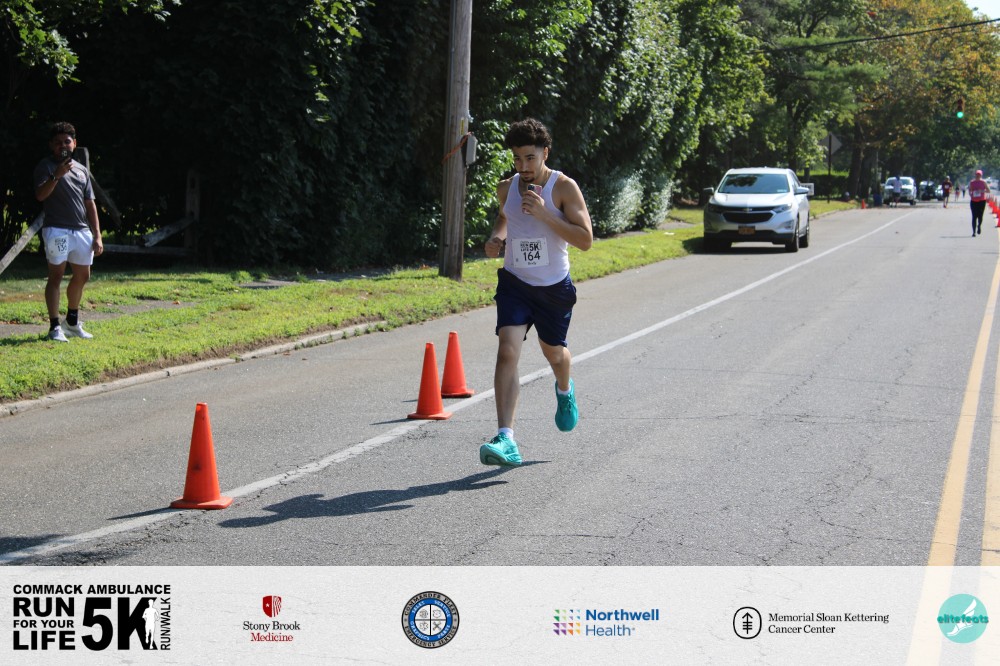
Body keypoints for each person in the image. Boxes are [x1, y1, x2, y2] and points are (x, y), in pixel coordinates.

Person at [479, 118, 594, 466]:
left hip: (553, 288)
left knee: (555, 354)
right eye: (517, 158)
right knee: (506, 351)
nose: (523, 166)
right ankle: (506, 438)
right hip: (515, 283)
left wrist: (545, 215)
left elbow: (585, 240)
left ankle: (564, 389)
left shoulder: (564, 188)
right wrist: (497, 237)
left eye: (529, 157)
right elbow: (505, 217)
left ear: (545, 153)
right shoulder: (507, 188)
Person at [33, 121, 103, 342]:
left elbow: (90, 203)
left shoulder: (82, 170)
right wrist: (57, 175)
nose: (62, 146)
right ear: (51, 145)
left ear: (74, 143)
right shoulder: (45, 167)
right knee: (56, 276)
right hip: (57, 230)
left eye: (67, 141)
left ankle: (71, 323)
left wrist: (97, 234)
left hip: (81, 230)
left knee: (83, 275)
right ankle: (55, 327)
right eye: (58, 142)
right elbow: (41, 195)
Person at [968, 169, 990, 236]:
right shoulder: (972, 182)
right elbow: (969, 190)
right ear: (975, 175)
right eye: (977, 174)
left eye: (979, 175)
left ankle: (979, 225)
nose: (978, 176)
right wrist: (971, 194)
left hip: (982, 201)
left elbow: (988, 190)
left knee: (980, 216)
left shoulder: (983, 182)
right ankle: (974, 232)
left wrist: (982, 191)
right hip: (974, 201)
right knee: (974, 216)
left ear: (981, 175)